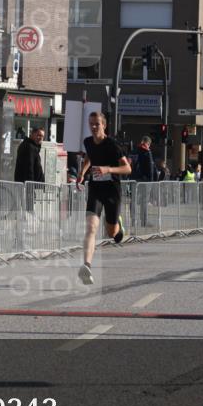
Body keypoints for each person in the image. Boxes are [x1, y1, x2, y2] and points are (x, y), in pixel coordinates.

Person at [76, 112, 131, 285]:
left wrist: (108, 169)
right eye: (91, 124)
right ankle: (87, 266)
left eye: (97, 124)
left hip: (112, 191)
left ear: (104, 125)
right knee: (91, 227)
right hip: (96, 190)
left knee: (113, 233)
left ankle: (118, 225)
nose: (93, 127)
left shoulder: (112, 144)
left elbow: (127, 169)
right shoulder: (88, 142)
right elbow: (89, 157)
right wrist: (82, 173)